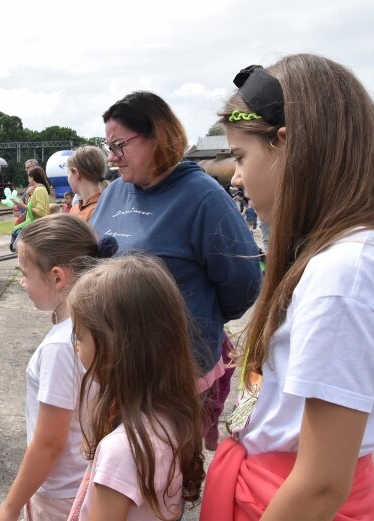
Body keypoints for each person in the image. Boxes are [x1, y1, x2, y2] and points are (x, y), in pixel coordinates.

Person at [201, 55, 374, 520]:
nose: (237, 177)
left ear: (287, 145)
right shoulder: (344, 261)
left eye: (241, 156)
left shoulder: (346, 277)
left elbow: (319, 484)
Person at [90, 91, 262, 448]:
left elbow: (244, 282)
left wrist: (196, 319)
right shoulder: (115, 193)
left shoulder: (202, 197)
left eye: (119, 145)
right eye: (109, 145)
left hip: (175, 374)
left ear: (158, 136)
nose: (111, 157)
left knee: (161, 481)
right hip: (117, 365)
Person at [0, 214, 114, 521]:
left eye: (25, 273)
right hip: (81, 479)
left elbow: (49, 443)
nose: (22, 282)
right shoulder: (92, 323)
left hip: (60, 494)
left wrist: (10, 506)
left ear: (57, 277)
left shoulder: (60, 346)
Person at [67, 255, 205, 521]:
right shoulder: (170, 416)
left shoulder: (122, 450)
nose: (75, 345)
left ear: (115, 349)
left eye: (80, 336)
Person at [67, 146, 108, 222]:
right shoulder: (107, 206)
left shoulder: (96, 212)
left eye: (68, 172)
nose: (68, 178)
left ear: (76, 173)